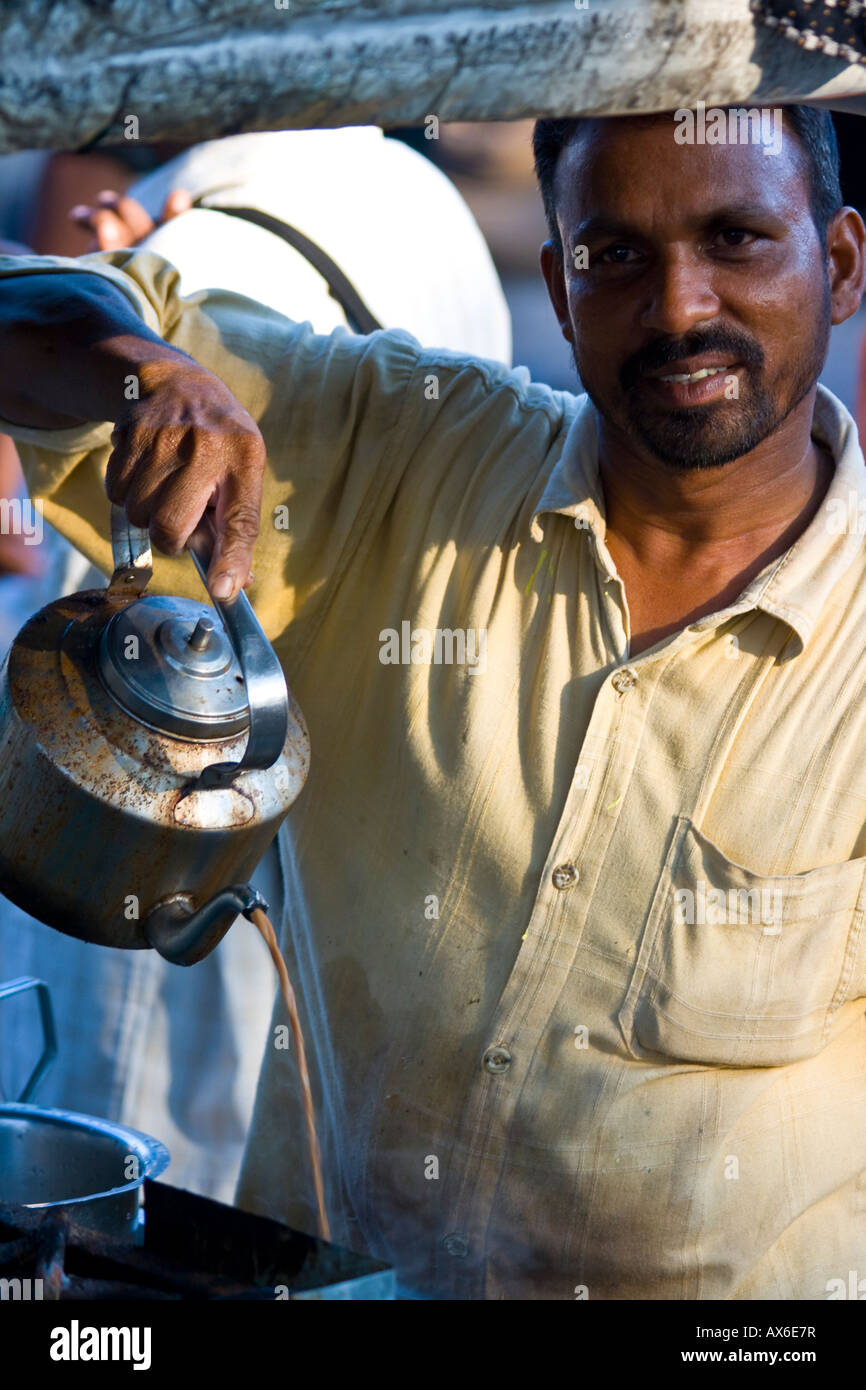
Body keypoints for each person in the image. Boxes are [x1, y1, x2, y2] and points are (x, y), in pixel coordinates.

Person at [0, 104, 865, 1301]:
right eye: (613, 254)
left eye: (734, 240)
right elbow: (21, 302)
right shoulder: (402, 456)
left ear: (837, 264)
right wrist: (151, 372)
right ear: (556, 292)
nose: (678, 308)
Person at [0, 128, 512, 1204]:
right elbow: (44, 278)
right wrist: (117, 365)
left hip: (356, 319)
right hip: (160, 345)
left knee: (227, 1028)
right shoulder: (153, 319)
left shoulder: (423, 411)